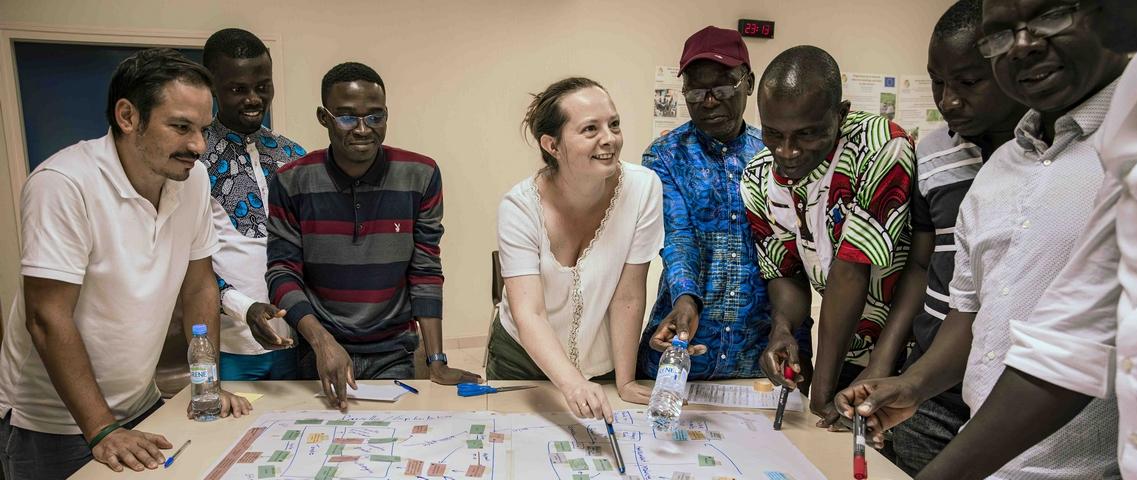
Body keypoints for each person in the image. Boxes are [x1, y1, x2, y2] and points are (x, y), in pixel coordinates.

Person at [858, 0, 1137, 478]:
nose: (1023, 46)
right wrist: (913, 385)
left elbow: (1076, 346)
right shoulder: (998, 170)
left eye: (1051, 15)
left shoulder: (1129, 143)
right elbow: (981, 315)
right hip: (988, 456)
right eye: (1001, 34)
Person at [0, 48, 252, 479]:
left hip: (142, 405)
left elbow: (199, 287)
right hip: (55, 425)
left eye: (203, 130)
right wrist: (102, 430)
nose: (197, 145)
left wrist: (205, 386)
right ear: (128, 116)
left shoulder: (192, 181)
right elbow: (46, 317)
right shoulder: (63, 184)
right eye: (180, 127)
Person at [848, 0, 1027, 473]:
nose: (948, 100)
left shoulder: (1046, 162)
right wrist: (885, 362)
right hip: (932, 384)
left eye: (968, 82)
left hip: (1021, 389)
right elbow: (923, 266)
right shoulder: (931, 154)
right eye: (937, 81)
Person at [265, 62, 481, 411]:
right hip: (319, 351)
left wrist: (436, 360)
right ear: (324, 117)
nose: (364, 129)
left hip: (393, 351)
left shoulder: (420, 175)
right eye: (347, 117)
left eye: (375, 117)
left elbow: (425, 270)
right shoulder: (291, 181)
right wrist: (322, 342)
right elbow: (282, 273)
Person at [741, 45, 916, 429]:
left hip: (908, 350)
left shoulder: (880, 146)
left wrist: (821, 392)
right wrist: (783, 329)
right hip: (848, 351)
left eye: (807, 134)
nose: (787, 151)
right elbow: (786, 271)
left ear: (840, 114)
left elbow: (850, 271)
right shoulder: (757, 176)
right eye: (773, 133)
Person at [638, 25, 813, 382]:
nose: (709, 100)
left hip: (765, 356)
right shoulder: (665, 156)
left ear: (748, 82)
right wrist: (686, 298)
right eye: (696, 90)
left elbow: (795, 254)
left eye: (721, 86)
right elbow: (677, 237)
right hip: (685, 350)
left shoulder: (779, 154)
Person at [489, 77, 663, 422]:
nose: (609, 139)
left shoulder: (643, 188)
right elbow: (530, 313)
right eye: (590, 129)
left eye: (614, 124)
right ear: (552, 145)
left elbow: (627, 295)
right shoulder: (519, 207)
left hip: (601, 363)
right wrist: (572, 384)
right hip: (522, 360)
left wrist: (625, 381)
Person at [199, 28, 306, 381]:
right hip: (232, 346)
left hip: (299, 337)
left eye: (263, 86)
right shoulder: (194, 161)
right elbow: (185, 264)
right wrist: (241, 308)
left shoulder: (293, 156)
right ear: (212, 86)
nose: (253, 99)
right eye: (237, 89)